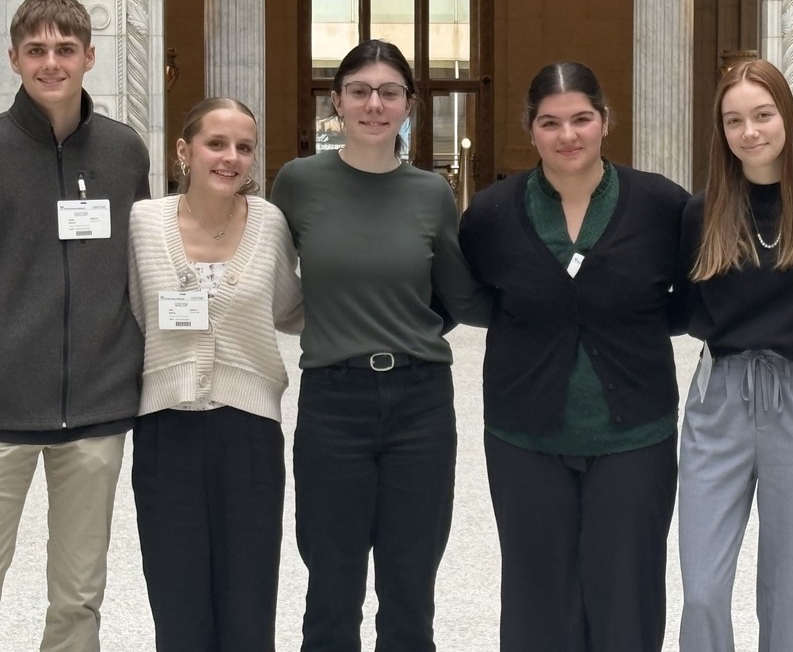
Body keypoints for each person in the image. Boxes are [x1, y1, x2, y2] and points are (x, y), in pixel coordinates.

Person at [458, 61, 690, 652]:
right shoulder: (491, 214)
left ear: (605, 122)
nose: (568, 136)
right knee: (539, 599)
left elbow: (691, 302)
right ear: (530, 130)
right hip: (524, 435)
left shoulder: (662, 206)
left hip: (635, 434)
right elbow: (472, 298)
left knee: (627, 597)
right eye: (550, 122)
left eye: (582, 119)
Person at [271, 39, 490, 652]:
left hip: (419, 401)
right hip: (333, 402)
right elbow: (255, 267)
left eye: (389, 92)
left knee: (410, 585)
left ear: (409, 105)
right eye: (360, 91)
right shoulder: (298, 183)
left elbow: (457, 294)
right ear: (337, 101)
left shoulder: (430, 193)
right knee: (331, 584)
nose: (374, 104)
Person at [0, 0, 150, 651]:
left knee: (79, 595)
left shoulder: (123, 151)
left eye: (65, 49)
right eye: (37, 50)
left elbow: (144, 262)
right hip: (2, 408)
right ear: (14, 59)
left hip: (95, 406)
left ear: (90, 56)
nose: (51, 62)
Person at [676, 59, 793, 651]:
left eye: (763, 114)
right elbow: (684, 308)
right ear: (721, 131)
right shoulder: (701, 213)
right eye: (734, 120)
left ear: (787, 118)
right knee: (701, 588)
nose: (751, 131)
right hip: (718, 398)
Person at [127, 97, 302, 651]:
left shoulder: (270, 224)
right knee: (176, 598)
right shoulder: (143, 223)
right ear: (184, 150)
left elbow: (290, 309)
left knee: (248, 597)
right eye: (216, 144)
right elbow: (129, 310)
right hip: (164, 429)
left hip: (247, 430)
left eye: (244, 147)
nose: (231, 158)